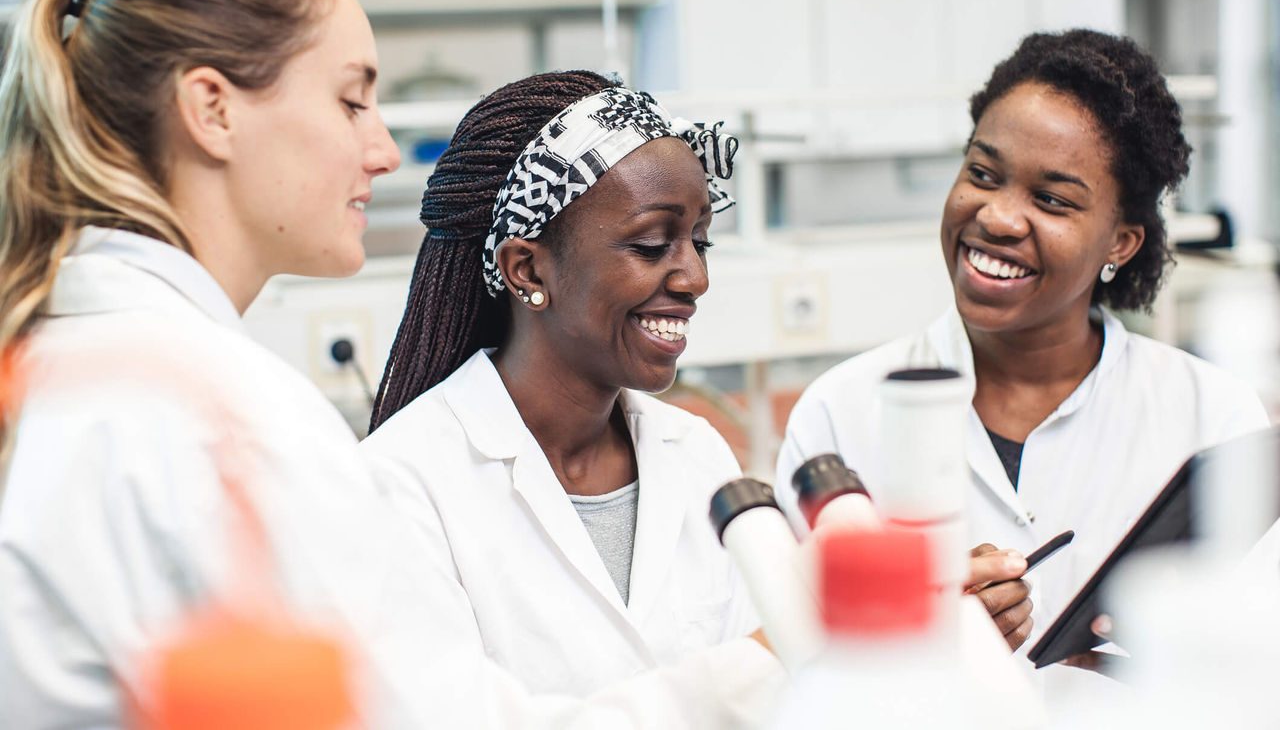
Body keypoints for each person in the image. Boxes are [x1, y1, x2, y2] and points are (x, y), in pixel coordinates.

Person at [0, 0, 783, 729]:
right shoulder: (229, 416)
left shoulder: (63, 358)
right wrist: (764, 665)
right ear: (212, 110)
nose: (380, 148)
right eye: (350, 102)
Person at [361, 70, 1030, 696]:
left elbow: (794, 702)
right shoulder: (401, 484)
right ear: (528, 271)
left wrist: (911, 632)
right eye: (653, 246)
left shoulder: (698, 457)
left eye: (700, 242)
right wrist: (788, 647)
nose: (694, 280)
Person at [775, 29, 1272, 658]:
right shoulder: (841, 414)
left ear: (1121, 242)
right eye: (983, 174)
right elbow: (789, 659)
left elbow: (1255, 660)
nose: (998, 217)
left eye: (1052, 200)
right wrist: (920, 633)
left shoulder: (1213, 417)